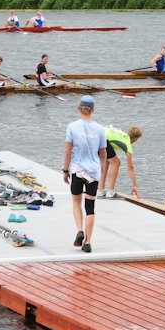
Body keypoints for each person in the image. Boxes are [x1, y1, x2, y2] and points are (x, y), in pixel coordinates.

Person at [62, 94, 107, 253]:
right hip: (93, 171)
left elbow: (68, 152)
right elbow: (103, 153)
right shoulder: (100, 129)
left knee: (76, 201)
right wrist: (101, 169)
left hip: (77, 170)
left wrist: (65, 170)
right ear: (93, 110)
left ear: (79, 108)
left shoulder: (72, 127)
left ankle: (79, 230)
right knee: (90, 207)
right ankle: (87, 242)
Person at [98, 125, 142, 199]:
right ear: (135, 139)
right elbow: (130, 167)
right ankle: (110, 192)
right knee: (116, 163)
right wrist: (135, 186)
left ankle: (100, 190)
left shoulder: (123, 135)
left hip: (96, 135)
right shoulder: (128, 144)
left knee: (107, 161)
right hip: (101, 138)